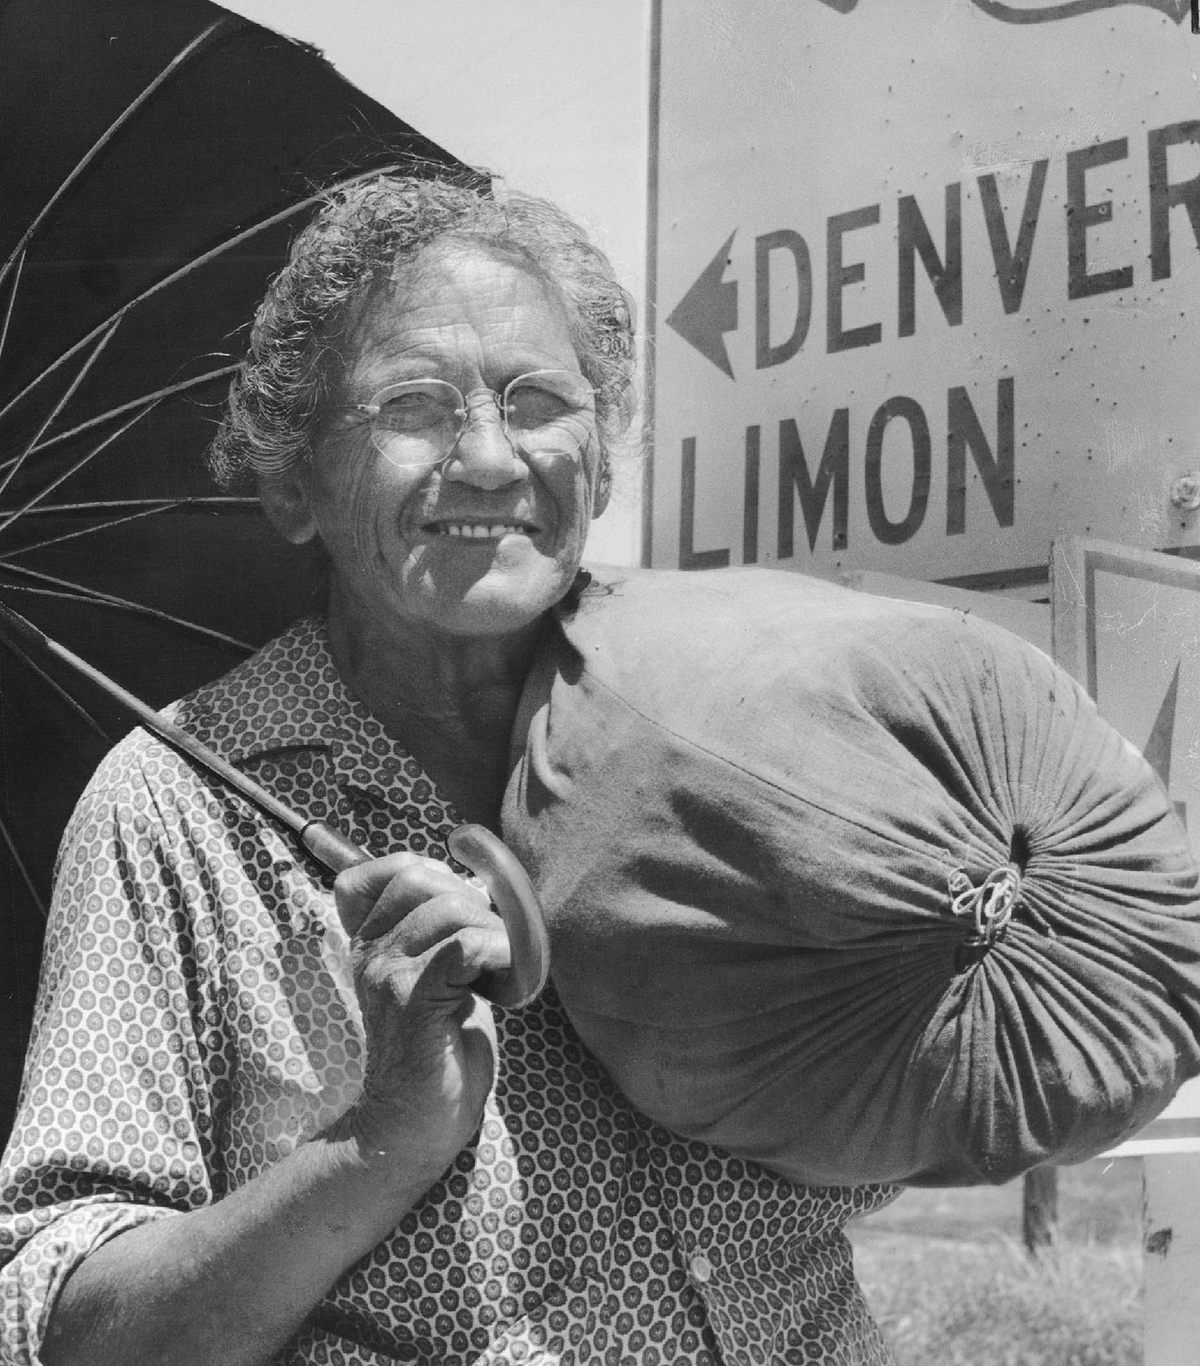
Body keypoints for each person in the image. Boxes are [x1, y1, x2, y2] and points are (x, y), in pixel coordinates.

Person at [0, 174, 896, 1365]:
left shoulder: (730, 725)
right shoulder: (175, 806)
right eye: (414, 405)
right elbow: (72, 1335)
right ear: (291, 480)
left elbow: (890, 1138)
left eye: (537, 399)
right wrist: (380, 1142)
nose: (487, 456)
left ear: (603, 458)